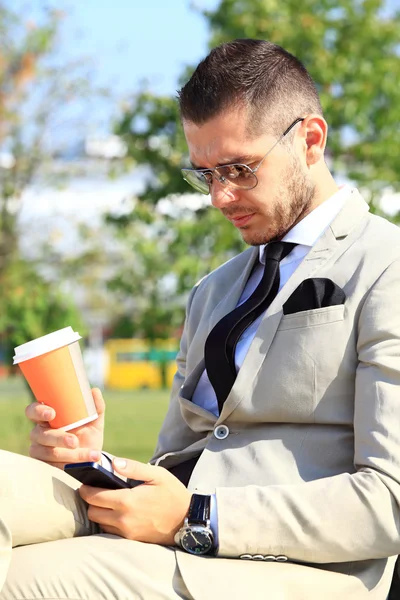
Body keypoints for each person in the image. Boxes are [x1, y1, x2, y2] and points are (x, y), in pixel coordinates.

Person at [1, 38, 400, 600]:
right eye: (205, 174)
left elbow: (390, 501)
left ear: (311, 140)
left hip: (298, 573)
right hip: (179, 540)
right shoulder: (214, 290)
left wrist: (199, 516)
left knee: (21, 580)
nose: (220, 196)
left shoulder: (388, 265)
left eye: (239, 168)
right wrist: (97, 462)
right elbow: (182, 460)